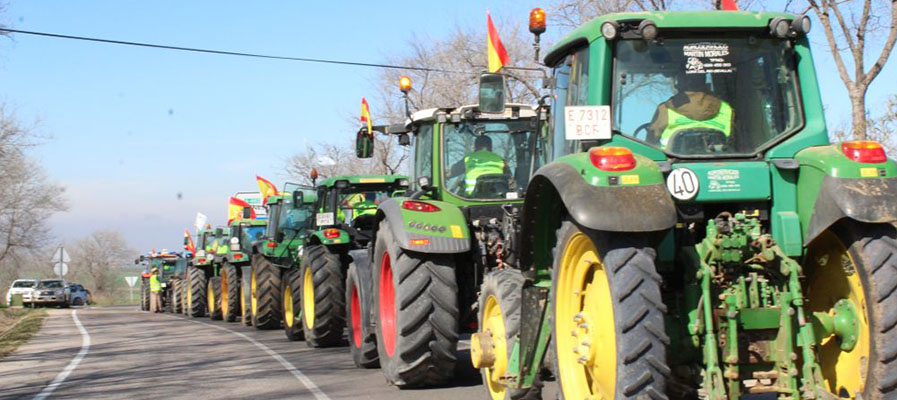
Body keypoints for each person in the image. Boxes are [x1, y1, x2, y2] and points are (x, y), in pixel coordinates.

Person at [648, 72, 734, 148]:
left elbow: (651, 142)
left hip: (671, 162)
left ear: (679, 84)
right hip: (720, 162)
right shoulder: (726, 108)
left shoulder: (666, 108)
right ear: (704, 83)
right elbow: (737, 139)